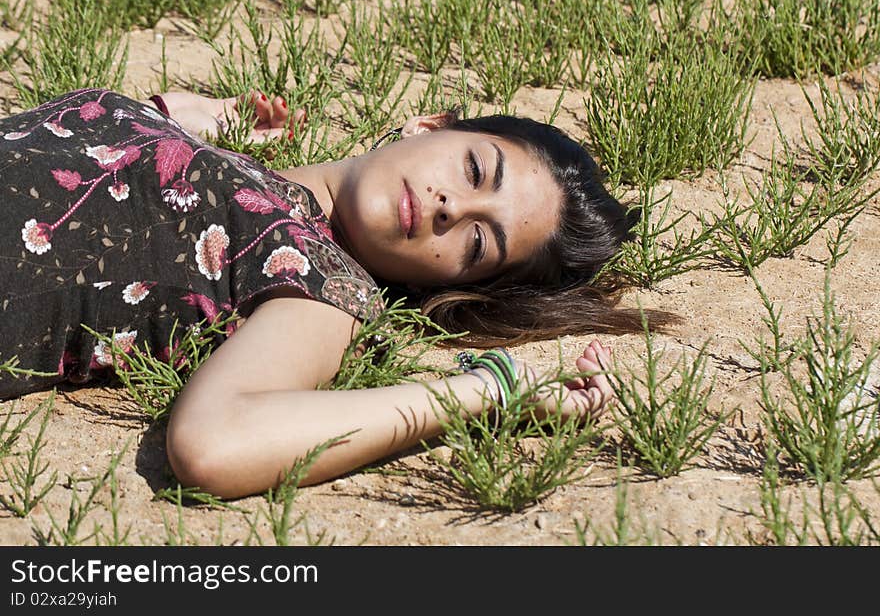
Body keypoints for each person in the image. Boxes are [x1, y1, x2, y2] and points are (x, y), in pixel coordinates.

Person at [0, 87, 651, 499]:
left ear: (449, 281)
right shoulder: (228, 160)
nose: (453, 205)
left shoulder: (319, 288)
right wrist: (175, 119)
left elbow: (214, 443)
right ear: (428, 123)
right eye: (475, 168)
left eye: (478, 244)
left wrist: (484, 390)